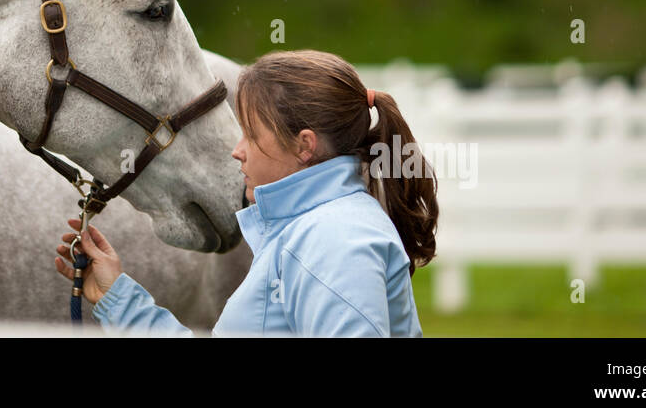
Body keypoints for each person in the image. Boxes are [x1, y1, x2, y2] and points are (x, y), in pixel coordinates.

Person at [54, 49, 439, 335]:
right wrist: (115, 297)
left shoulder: (332, 239)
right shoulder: (313, 231)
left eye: (251, 135)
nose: (237, 151)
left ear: (305, 146)